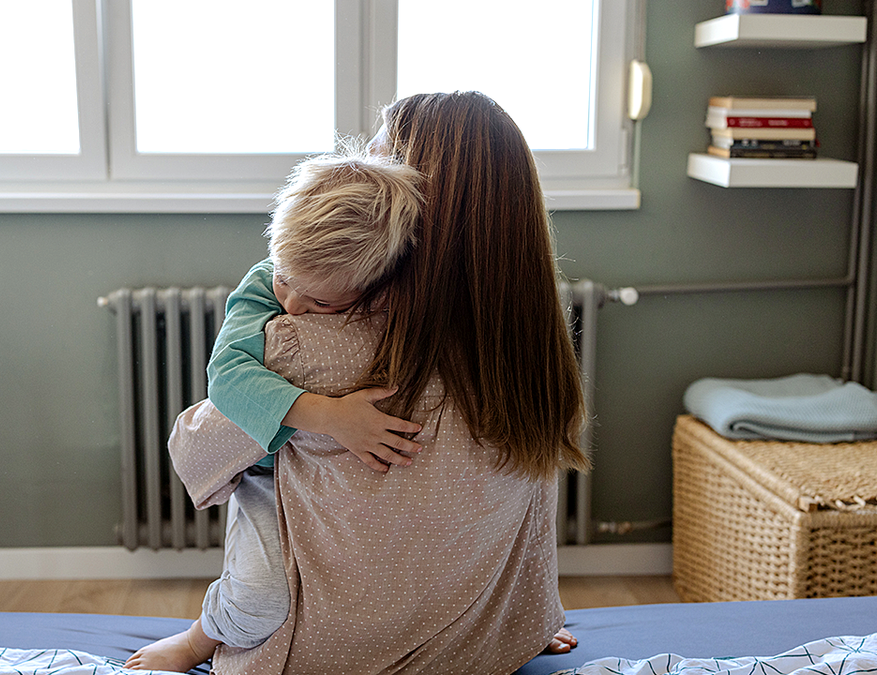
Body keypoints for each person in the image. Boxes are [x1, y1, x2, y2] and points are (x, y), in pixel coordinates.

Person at [143, 91, 587, 674]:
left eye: (378, 157)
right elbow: (531, 513)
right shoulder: (532, 356)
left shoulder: (311, 344)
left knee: (243, 468)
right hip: (480, 647)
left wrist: (302, 417)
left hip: (320, 653)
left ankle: (202, 634)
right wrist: (528, 619)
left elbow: (194, 448)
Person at [126, 148, 427, 672]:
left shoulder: (391, 292)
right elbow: (228, 378)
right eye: (288, 280)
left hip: (340, 484)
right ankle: (200, 636)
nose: (291, 307)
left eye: (322, 304)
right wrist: (330, 415)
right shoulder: (263, 284)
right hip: (268, 475)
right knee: (260, 599)